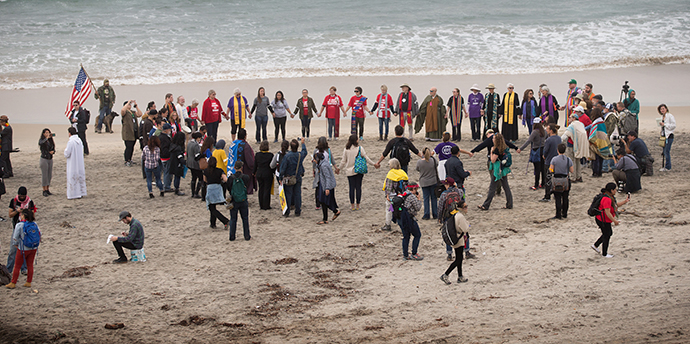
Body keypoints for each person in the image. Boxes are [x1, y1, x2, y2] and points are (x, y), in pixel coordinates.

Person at [338, 135, 377, 211]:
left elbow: (343, 161)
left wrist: (339, 169)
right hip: (359, 170)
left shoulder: (346, 149)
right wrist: (374, 164)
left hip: (349, 171)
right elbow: (366, 158)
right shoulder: (360, 148)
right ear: (356, 140)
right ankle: (358, 205)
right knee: (358, 187)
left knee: (351, 188)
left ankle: (352, 205)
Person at [591, 183, 630, 258]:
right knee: (607, 235)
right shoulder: (607, 199)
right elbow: (607, 212)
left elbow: (615, 205)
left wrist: (625, 201)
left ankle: (595, 245)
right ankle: (604, 253)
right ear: (611, 190)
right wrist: (614, 221)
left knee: (607, 233)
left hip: (603, 219)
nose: (616, 191)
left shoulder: (610, 197)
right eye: (615, 189)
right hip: (602, 220)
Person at [5, 209, 40, 289]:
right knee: (30, 265)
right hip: (33, 247)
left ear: (23, 216)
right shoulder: (35, 224)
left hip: (23, 248)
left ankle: (13, 283)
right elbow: (39, 234)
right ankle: (28, 282)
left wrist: (15, 245)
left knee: (17, 265)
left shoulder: (20, 225)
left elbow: (15, 237)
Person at [478, 133, 513, 210]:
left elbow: (493, 160)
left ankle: (486, 205)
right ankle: (509, 204)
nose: (492, 139)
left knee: (492, 188)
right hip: (503, 169)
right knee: (506, 186)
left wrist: (491, 152)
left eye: (493, 138)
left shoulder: (497, 149)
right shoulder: (504, 147)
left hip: (497, 169)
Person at [440, 197, 470, 284]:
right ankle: (445, 274)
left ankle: (460, 276)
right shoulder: (460, 217)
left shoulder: (456, 215)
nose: (466, 208)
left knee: (459, 258)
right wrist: (468, 225)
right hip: (459, 240)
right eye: (465, 207)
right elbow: (465, 229)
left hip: (455, 238)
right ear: (461, 208)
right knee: (458, 259)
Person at [6, 186, 35, 275]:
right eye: (20, 196)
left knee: (24, 249)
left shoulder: (30, 202)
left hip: (26, 229)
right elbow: (10, 215)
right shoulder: (14, 201)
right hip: (16, 228)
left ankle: (24, 268)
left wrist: (26, 213)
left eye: (23, 196)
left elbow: (33, 216)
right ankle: (9, 268)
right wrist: (17, 211)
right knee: (12, 249)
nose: (21, 198)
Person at [279, 137, 307, 217]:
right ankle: (297, 211)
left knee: (288, 194)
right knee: (297, 194)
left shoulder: (287, 156)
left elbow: (283, 168)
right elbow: (305, 152)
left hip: (288, 177)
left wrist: (280, 178)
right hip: (297, 177)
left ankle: (287, 211)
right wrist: (303, 143)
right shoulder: (299, 155)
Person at [396, 182, 424, 261]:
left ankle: (405, 255)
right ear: (414, 189)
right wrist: (418, 199)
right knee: (417, 235)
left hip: (401, 218)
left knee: (406, 236)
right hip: (409, 219)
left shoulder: (403, 194)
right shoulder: (412, 197)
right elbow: (418, 208)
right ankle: (414, 253)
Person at [560, 108, 588, 182]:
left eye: (570, 117)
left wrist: (559, 141)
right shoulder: (581, 124)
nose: (569, 118)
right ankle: (579, 176)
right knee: (577, 161)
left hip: (571, 145)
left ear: (574, 118)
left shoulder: (572, 125)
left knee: (571, 161)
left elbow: (565, 136)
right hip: (579, 145)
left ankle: (573, 177)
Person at [518, 118, 546, 190]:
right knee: (543, 168)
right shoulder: (544, 131)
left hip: (536, 150)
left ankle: (536, 185)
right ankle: (543, 183)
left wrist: (521, 149)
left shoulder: (535, 132)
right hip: (543, 150)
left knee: (537, 169)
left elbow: (528, 141)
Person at [381, 158, 408, 231]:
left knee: (389, 209)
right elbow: (406, 184)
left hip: (392, 195)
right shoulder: (403, 173)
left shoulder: (391, 174)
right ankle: (402, 223)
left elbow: (389, 187)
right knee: (400, 209)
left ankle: (388, 224)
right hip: (401, 195)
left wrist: (387, 195)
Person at [227, 161, 251, 241]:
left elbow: (229, 188)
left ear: (234, 168)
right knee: (245, 218)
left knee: (233, 219)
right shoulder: (245, 177)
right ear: (241, 168)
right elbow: (247, 186)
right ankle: (247, 236)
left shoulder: (231, 178)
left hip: (234, 200)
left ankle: (232, 236)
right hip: (243, 199)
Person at [204, 157, 229, 229]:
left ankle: (225, 220)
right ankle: (212, 223)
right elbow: (225, 179)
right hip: (217, 188)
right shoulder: (219, 171)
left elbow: (205, 180)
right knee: (213, 206)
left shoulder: (206, 171)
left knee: (211, 207)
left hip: (210, 188)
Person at [314, 152, 340, 225]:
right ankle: (334, 212)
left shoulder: (323, 166)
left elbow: (327, 177)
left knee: (324, 201)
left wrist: (327, 188)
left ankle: (326, 218)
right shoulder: (323, 163)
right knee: (325, 200)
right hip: (325, 184)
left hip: (327, 185)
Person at [549, 143, 574, 219]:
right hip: (565, 179)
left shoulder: (554, 159)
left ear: (557, 150)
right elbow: (572, 170)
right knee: (565, 197)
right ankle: (565, 213)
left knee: (558, 197)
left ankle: (558, 214)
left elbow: (551, 170)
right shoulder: (568, 159)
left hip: (557, 179)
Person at [228, 128, 255, 195]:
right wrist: (253, 168)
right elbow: (249, 159)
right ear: (245, 136)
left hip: (231, 168)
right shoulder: (245, 145)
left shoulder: (233, 143)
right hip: (242, 169)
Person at [540, 123, 562, 202]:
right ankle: (556, 194)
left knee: (548, 179)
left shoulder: (549, 140)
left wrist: (544, 156)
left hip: (549, 161)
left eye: (548, 129)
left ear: (551, 131)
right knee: (556, 178)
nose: (546, 130)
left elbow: (545, 151)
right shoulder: (559, 138)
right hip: (557, 160)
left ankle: (547, 196)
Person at [415, 147, 439, 220]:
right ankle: (435, 213)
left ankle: (427, 214)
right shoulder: (434, 160)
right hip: (433, 181)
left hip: (424, 181)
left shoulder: (419, 162)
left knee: (426, 198)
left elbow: (417, 169)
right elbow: (437, 165)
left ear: (422, 153)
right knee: (434, 198)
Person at [64, 127, 87, 199]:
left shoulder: (71, 142)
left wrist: (65, 152)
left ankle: (73, 194)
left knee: (72, 177)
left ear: (69, 133)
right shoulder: (79, 140)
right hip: (79, 162)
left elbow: (67, 153)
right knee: (79, 177)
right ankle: (81, 192)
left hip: (72, 163)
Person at [589, 111, 613, 177]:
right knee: (601, 157)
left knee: (595, 158)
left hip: (597, 141)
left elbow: (593, 134)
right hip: (603, 141)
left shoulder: (596, 123)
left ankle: (595, 173)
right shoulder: (602, 122)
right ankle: (599, 172)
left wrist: (590, 140)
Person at [121, 100, 142, 166]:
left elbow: (140, 114)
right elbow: (122, 111)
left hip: (134, 132)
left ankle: (130, 159)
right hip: (128, 133)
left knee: (132, 147)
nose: (130, 105)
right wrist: (128, 102)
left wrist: (136, 106)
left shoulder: (132, 112)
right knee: (128, 147)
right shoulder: (125, 112)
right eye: (128, 105)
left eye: (130, 104)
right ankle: (126, 160)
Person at [254, 141, 274, 210]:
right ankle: (266, 205)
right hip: (267, 173)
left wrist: (253, 172)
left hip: (259, 173)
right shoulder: (270, 155)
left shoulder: (257, 155)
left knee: (261, 189)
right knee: (267, 189)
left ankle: (261, 205)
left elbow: (255, 165)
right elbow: (272, 166)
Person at [658, 104, 675, 171]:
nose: (662, 110)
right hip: (664, 136)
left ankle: (668, 167)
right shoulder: (662, 117)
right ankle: (665, 166)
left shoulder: (670, 116)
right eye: (661, 109)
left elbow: (673, 125)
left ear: (666, 109)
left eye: (663, 109)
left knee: (666, 151)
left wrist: (665, 125)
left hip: (669, 136)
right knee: (664, 151)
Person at [186, 132, 204, 199]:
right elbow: (197, 156)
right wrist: (203, 155)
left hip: (189, 163)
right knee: (200, 178)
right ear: (198, 138)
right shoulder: (196, 145)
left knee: (193, 178)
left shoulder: (189, 143)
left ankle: (193, 192)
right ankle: (196, 192)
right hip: (195, 163)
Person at [38, 128, 55, 197]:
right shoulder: (42, 140)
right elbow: (41, 144)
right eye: (46, 133)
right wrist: (46, 138)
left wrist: (53, 151)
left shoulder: (50, 141)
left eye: (48, 132)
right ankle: (44, 190)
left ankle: (48, 189)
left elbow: (53, 147)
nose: (47, 134)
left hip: (50, 158)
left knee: (49, 175)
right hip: (44, 158)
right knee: (44, 175)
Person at [158, 123, 174, 192]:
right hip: (166, 157)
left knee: (165, 171)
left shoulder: (161, 136)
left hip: (162, 157)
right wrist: (169, 154)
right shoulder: (164, 138)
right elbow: (164, 148)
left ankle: (166, 185)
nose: (170, 130)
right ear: (166, 130)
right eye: (169, 129)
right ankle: (167, 186)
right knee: (167, 172)